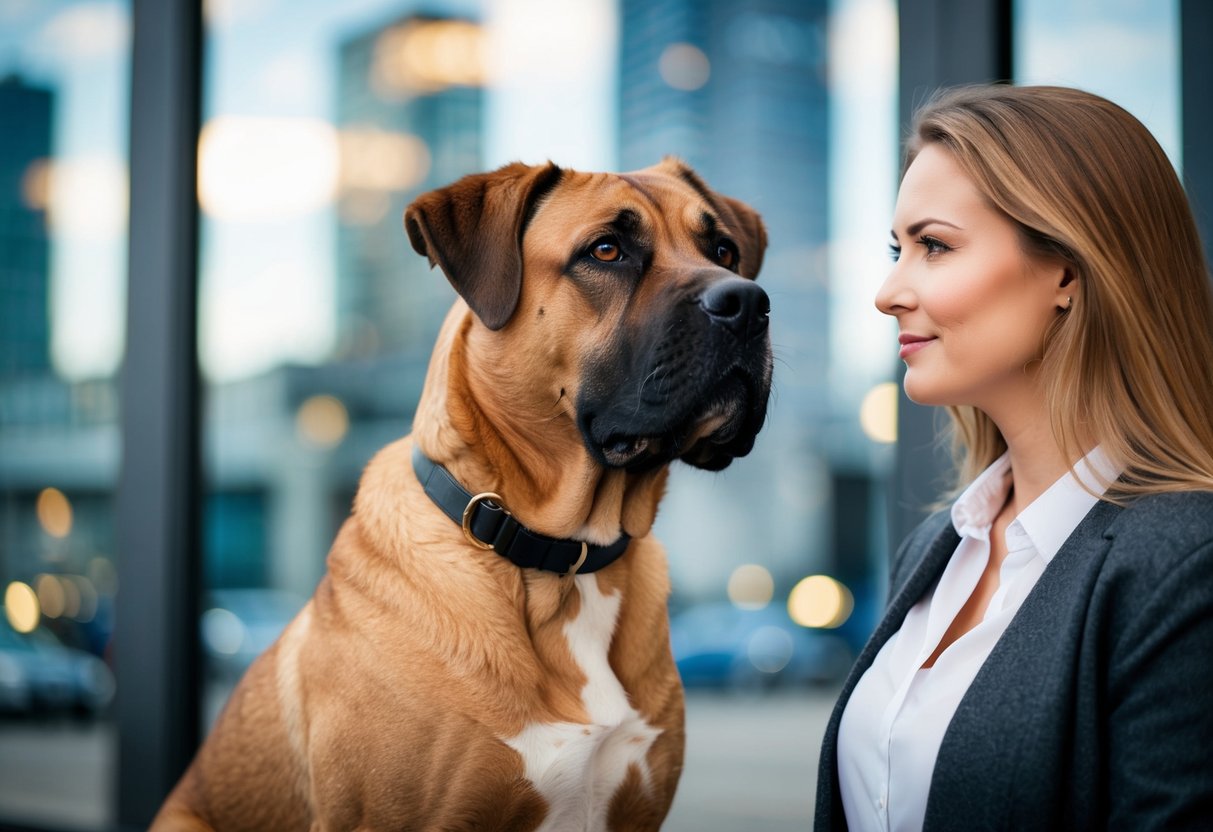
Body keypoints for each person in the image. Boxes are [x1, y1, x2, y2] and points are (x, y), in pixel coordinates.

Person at [815, 84, 1213, 831]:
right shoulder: (934, 549)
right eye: (896, 250)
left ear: (1065, 270)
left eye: (933, 245)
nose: (887, 292)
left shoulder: (1184, 563)